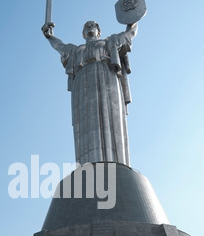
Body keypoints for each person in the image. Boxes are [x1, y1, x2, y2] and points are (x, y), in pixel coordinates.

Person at [42, 19, 138, 167]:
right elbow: (59, 46)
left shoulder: (109, 42)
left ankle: (116, 163)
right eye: (86, 27)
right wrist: (49, 36)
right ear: (83, 34)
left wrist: (132, 17)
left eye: (93, 26)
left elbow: (129, 34)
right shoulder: (75, 50)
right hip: (82, 82)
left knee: (111, 115)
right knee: (85, 122)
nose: (89, 28)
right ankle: (88, 166)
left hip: (107, 75)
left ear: (99, 32)